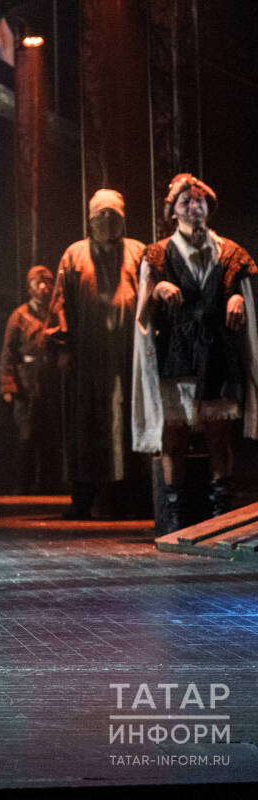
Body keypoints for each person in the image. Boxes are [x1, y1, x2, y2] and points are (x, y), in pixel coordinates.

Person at [133, 174, 258, 533]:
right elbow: (142, 315)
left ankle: (221, 515)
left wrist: (237, 298)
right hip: (178, 356)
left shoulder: (230, 253)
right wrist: (158, 290)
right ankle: (175, 515)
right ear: (173, 211)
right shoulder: (158, 255)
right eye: (186, 201)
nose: (194, 206)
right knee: (174, 437)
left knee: (219, 435)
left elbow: (245, 300)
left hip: (217, 356)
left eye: (199, 200)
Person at [47, 189, 145, 518]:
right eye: (101, 215)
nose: (107, 220)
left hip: (127, 356)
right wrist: (63, 347)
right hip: (87, 357)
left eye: (113, 215)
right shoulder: (74, 255)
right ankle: (83, 498)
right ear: (90, 220)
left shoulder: (138, 252)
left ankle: (128, 497)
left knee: (128, 421)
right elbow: (60, 302)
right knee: (85, 425)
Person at [0, 266, 62, 493]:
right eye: (39, 283)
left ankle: (49, 484)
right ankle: (23, 484)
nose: (44, 287)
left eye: (48, 283)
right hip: (27, 383)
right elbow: (8, 352)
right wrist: (8, 385)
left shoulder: (57, 314)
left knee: (50, 435)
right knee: (26, 435)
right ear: (30, 288)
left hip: (50, 380)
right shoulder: (19, 315)